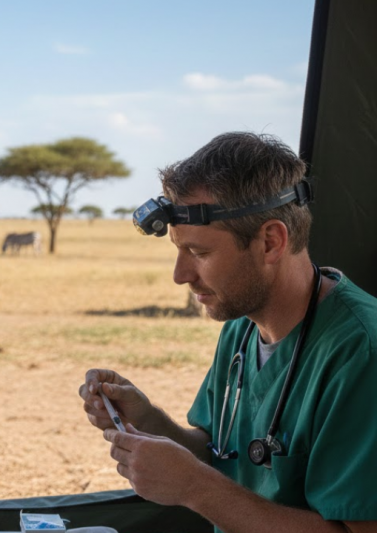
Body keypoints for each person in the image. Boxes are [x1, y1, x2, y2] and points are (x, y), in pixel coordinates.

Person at [79, 132, 377, 532]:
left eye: (199, 253)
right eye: (179, 251)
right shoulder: (242, 326)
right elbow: (221, 457)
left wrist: (196, 489)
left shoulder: (361, 351)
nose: (180, 275)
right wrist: (148, 420)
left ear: (271, 242)